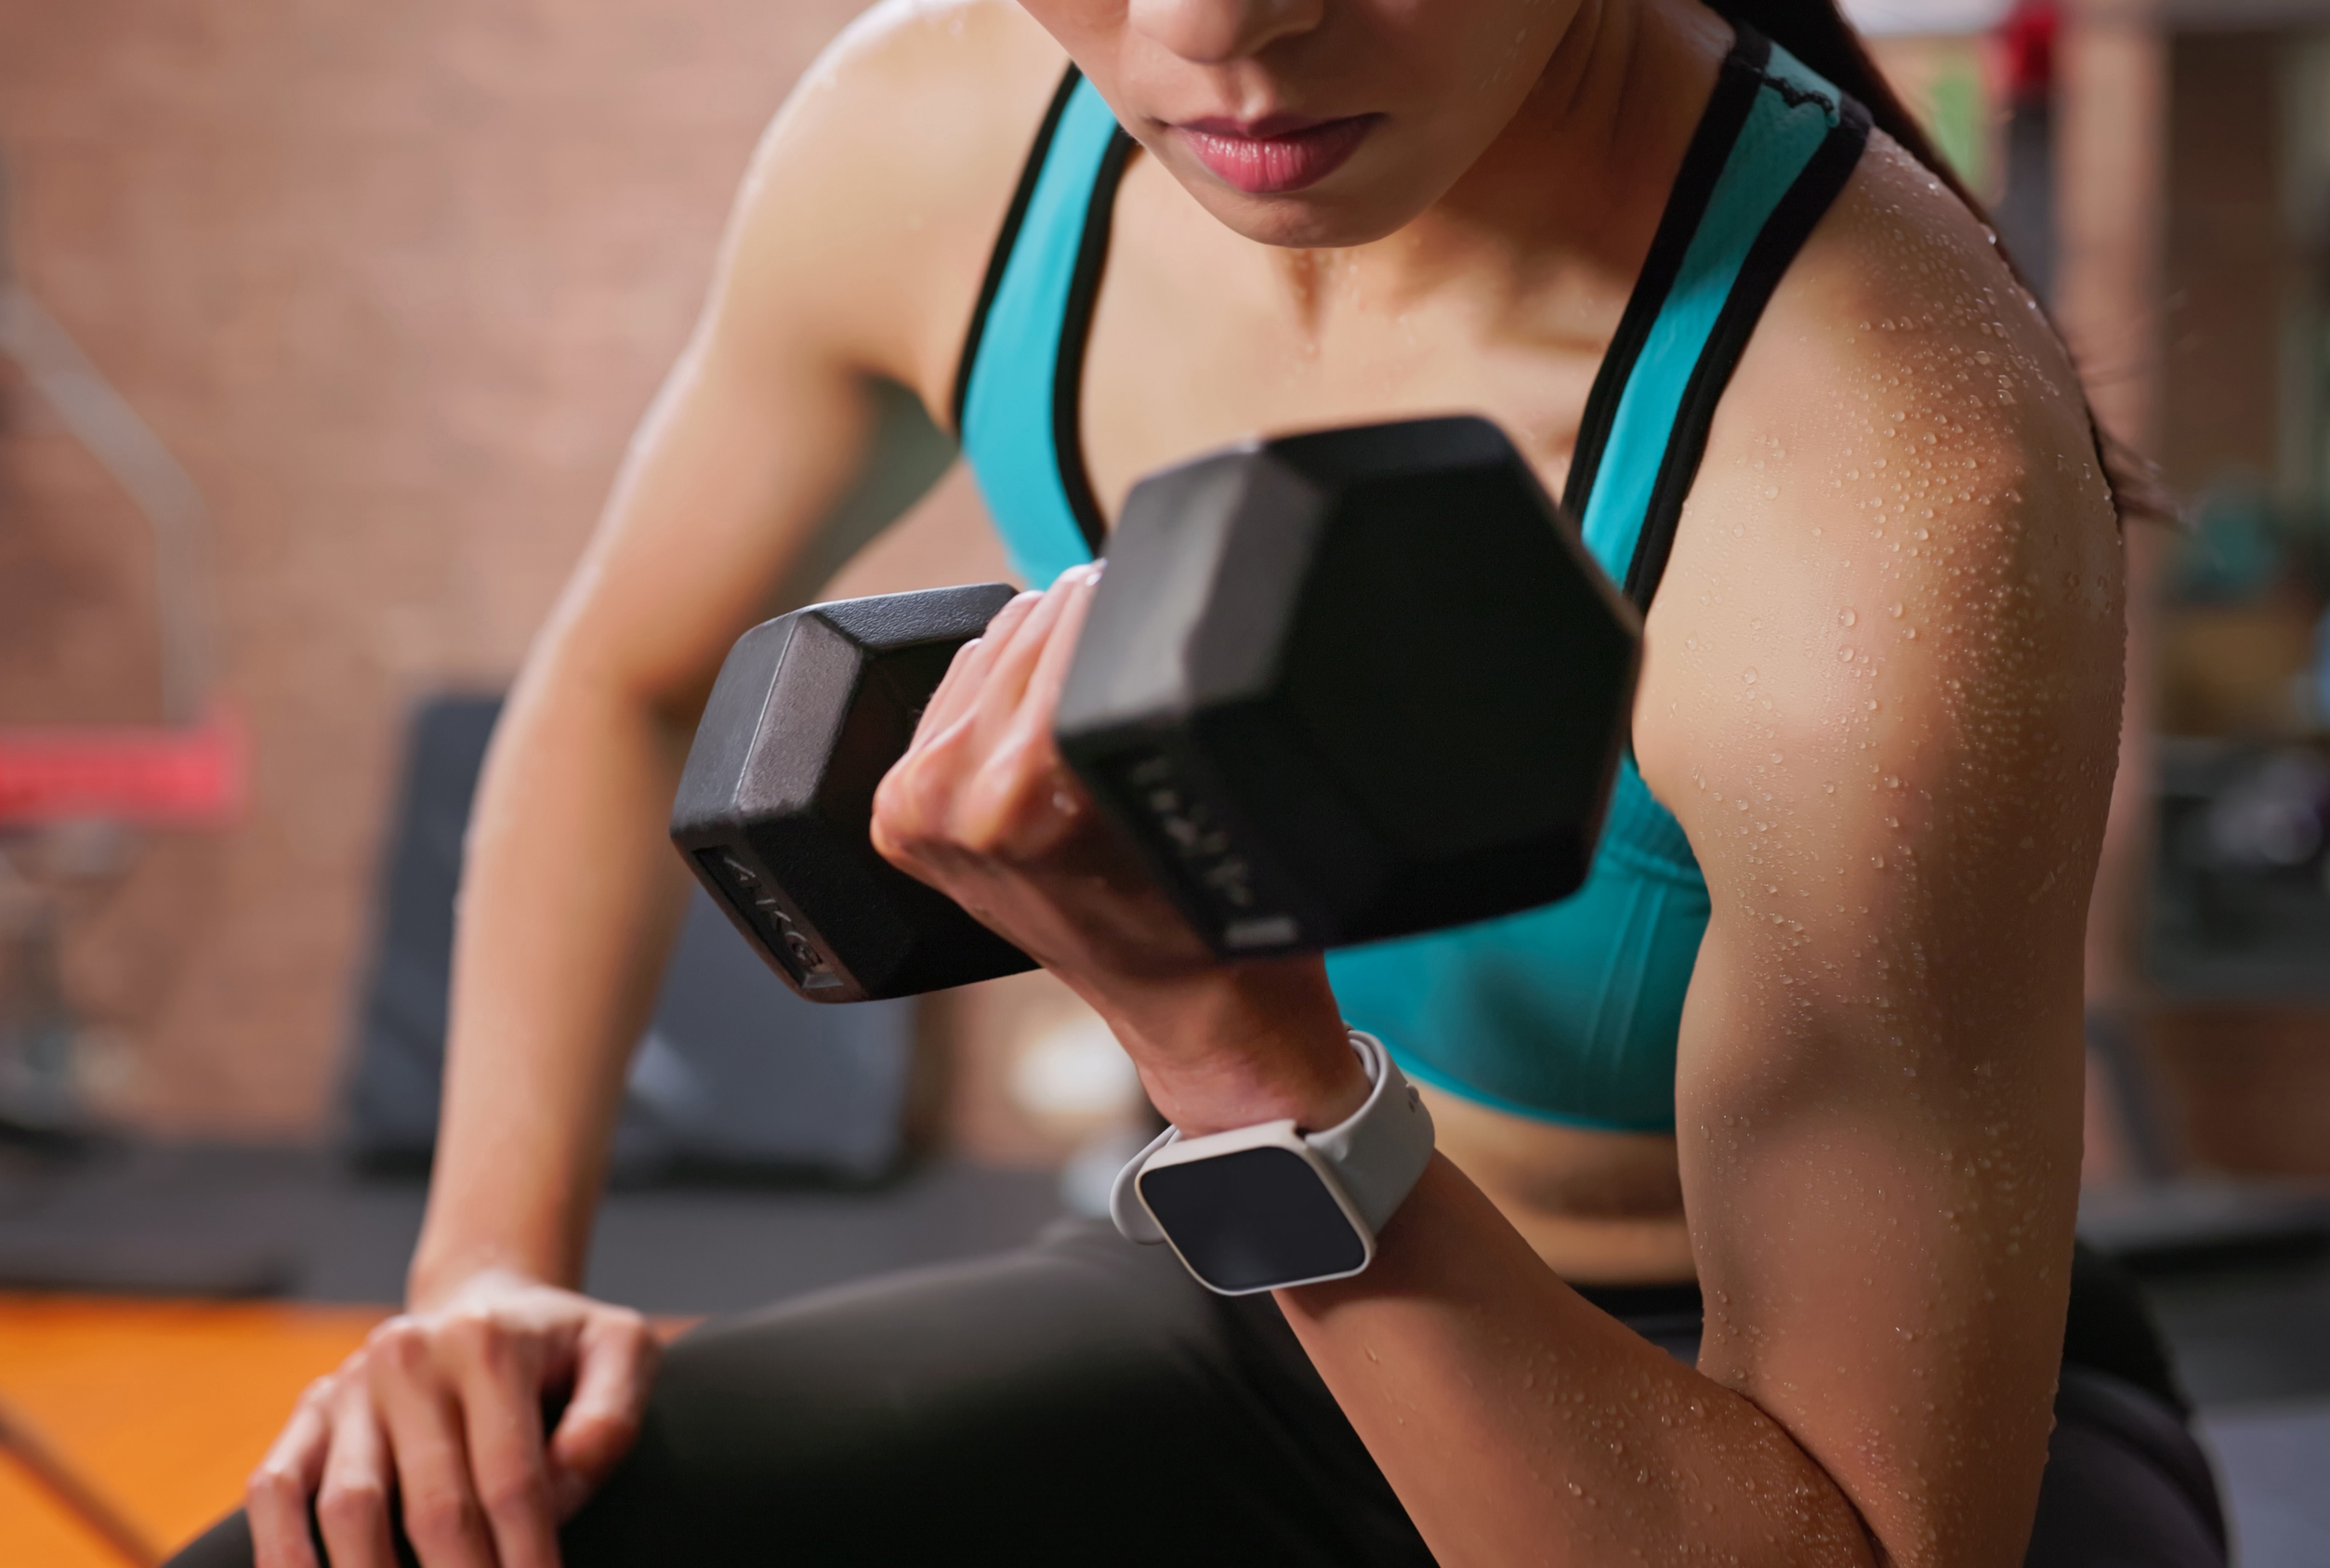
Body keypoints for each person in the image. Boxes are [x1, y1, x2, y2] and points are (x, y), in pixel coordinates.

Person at [178, 1, 2222, 1564]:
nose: (1223, 28)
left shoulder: (1879, 448)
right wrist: (487, 1272)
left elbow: (1846, 1539)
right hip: (1261, 1308)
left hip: (1780, 1440)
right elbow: (621, 688)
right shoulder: (943, 141)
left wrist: (1240, 1068)